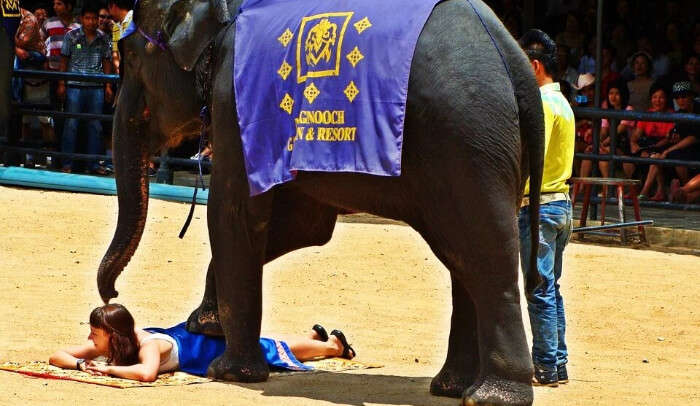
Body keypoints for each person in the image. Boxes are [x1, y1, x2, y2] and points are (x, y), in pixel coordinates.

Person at [49, 303, 356, 381]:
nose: (90, 338)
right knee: (264, 343)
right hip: (184, 336)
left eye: (95, 333)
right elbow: (56, 355)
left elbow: (147, 374)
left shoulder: (147, 345)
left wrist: (109, 371)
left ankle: (332, 347)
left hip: (200, 346)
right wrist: (79, 364)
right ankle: (311, 340)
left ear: (112, 335)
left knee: (264, 348)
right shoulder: (109, 345)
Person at [518, 29, 575, 388]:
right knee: (550, 287)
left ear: (536, 66)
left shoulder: (542, 104)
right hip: (561, 205)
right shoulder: (564, 103)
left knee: (539, 289)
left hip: (539, 207)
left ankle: (547, 366)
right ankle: (559, 363)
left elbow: (530, 158)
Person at [58, 4, 113, 174]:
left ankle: (94, 164)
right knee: (71, 124)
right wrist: (61, 83)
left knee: (95, 125)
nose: (91, 22)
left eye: (94, 18)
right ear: (82, 19)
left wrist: (108, 85)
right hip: (74, 85)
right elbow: (64, 60)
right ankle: (67, 163)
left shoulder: (103, 38)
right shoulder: (71, 36)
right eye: (88, 18)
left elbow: (107, 61)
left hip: (96, 86)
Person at [641, 81, 700, 201]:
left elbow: (694, 137)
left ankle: (683, 191)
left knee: (675, 154)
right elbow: (674, 135)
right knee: (657, 154)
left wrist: (669, 149)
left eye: (683, 97)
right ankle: (646, 192)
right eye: (677, 98)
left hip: (695, 149)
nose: (680, 100)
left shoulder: (698, 109)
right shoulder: (679, 114)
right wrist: (668, 139)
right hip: (685, 149)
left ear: (691, 96)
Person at [579, 79, 635, 179]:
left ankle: (607, 189)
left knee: (604, 152)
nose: (613, 97)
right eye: (610, 93)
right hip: (608, 146)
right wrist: (595, 145)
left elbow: (617, 133)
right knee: (589, 154)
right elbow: (603, 131)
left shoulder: (629, 109)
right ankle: (582, 187)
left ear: (623, 94)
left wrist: (600, 145)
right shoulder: (607, 109)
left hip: (625, 148)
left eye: (617, 93)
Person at [628, 82, 675, 198]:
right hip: (649, 145)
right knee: (628, 158)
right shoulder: (647, 114)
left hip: (664, 147)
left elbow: (667, 140)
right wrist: (633, 143)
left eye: (661, 97)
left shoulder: (672, 115)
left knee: (655, 157)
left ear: (666, 99)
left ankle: (644, 192)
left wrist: (649, 150)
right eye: (655, 97)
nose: (658, 101)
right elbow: (637, 134)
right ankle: (639, 189)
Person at [107, 0, 133, 75]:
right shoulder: (116, 27)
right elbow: (115, 52)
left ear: (113, 6)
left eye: (109, 8)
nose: (109, 13)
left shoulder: (134, 20)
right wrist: (119, 70)